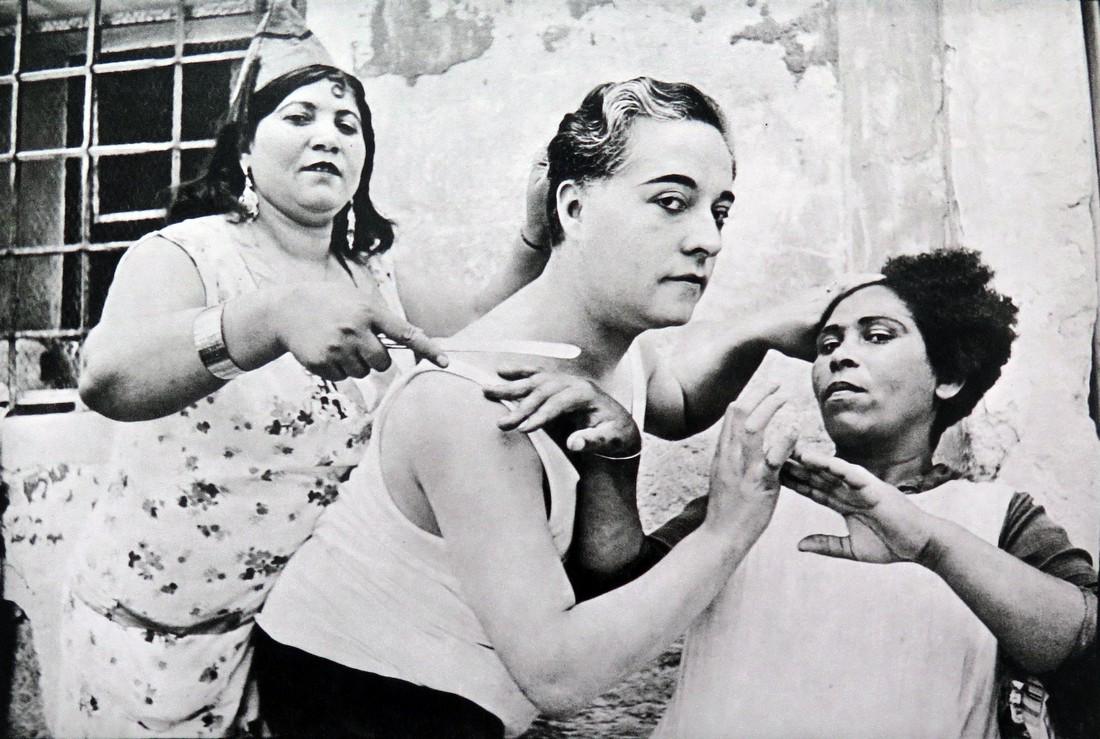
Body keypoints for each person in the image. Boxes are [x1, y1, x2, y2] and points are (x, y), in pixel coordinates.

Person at [253, 76, 817, 738]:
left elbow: (679, 401)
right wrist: (727, 529)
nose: (708, 240)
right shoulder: (472, 401)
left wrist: (762, 330)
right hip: (357, 701)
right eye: (671, 202)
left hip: (464, 699)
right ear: (573, 209)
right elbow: (559, 676)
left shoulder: (615, 344)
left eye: (719, 212)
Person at [60, 2, 549, 735]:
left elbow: (476, 330)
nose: (328, 133)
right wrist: (269, 317)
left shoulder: (376, 278)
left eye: (347, 125)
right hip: (147, 644)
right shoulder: (189, 255)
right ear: (244, 154)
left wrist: (532, 237)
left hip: (289, 645)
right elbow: (107, 378)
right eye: (300, 116)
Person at [652, 248, 1098, 738]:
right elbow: (610, 596)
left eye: (878, 336)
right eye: (826, 345)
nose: (839, 355)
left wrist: (931, 546)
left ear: (948, 376)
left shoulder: (998, 516)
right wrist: (615, 458)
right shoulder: (754, 493)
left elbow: (1084, 645)